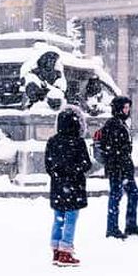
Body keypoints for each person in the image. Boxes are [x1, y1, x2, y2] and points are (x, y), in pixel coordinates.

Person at [45, 107, 91, 267]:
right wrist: (73, 171)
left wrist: (59, 173)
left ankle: (56, 249)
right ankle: (66, 250)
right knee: (71, 218)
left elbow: (48, 165)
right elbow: (86, 164)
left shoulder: (52, 141)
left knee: (59, 218)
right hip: (74, 186)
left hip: (58, 186)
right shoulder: (78, 142)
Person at [100, 96, 138, 239]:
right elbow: (109, 148)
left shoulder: (121, 123)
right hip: (117, 167)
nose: (128, 110)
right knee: (116, 196)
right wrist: (118, 160)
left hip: (125, 166)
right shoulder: (113, 124)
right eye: (125, 107)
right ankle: (112, 228)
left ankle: (130, 225)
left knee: (133, 194)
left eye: (128, 107)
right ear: (118, 108)